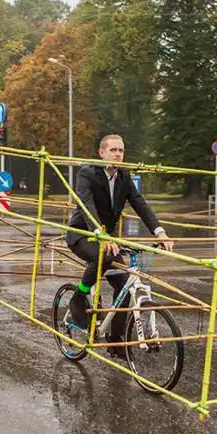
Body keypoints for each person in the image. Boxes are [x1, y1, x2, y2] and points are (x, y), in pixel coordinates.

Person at [66, 134, 174, 357]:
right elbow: (86, 205)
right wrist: (101, 235)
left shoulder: (124, 175)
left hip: (108, 239)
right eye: (113, 149)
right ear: (102, 152)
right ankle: (78, 297)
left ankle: (115, 341)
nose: (118, 154)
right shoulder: (87, 173)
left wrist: (160, 232)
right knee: (102, 258)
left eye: (121, 150)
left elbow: (140, 204)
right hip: (83, 233)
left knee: (125, 286)